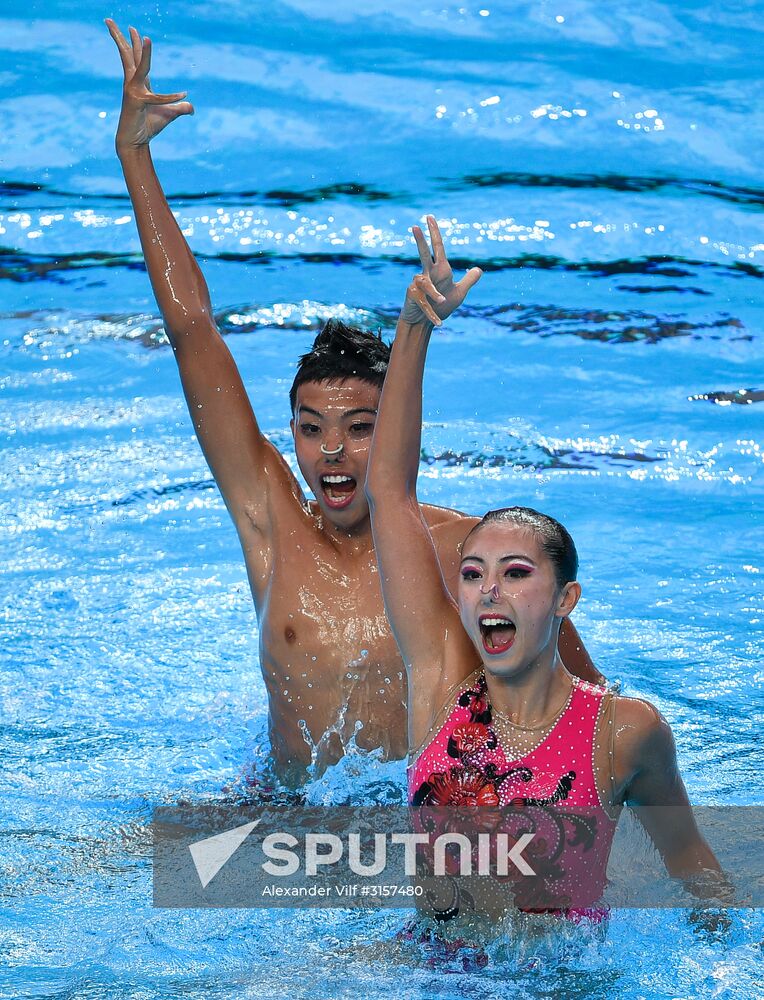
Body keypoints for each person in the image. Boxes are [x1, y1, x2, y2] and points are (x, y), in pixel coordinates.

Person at [105, 20, 602, 787]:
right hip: (282, 814)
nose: (330, 451)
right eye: (310, 430)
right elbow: (192, 330)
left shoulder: (464, 552)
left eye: (360, 428)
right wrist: (136, 157)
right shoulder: (270, 520)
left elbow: (587, 704)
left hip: (402, 833)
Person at [365, 215, 725, 921]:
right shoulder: (441, 692)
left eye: (515, 572)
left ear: (565, 599)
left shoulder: (623, 732)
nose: (487, 589)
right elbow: (391, 492)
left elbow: (690, 862)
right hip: (421, 973)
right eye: (471, 574)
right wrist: (415, 326)